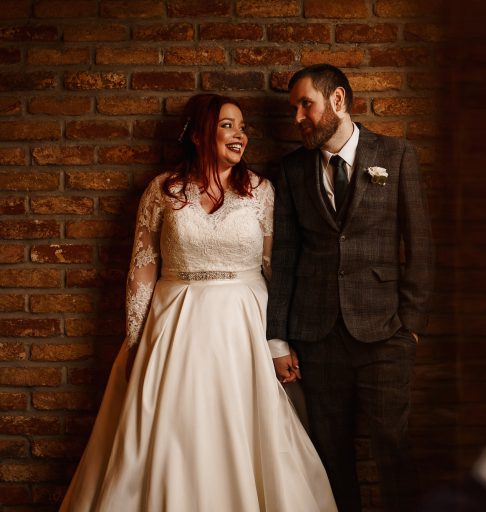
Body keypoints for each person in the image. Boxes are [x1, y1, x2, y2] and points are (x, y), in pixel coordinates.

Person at [60, 94, 336, 511]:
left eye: (243, 127)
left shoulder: (261, 191)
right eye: (228, 125)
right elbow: (142, 269)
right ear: (200, 133)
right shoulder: (163, 190)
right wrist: (136, 342)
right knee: (174, 431)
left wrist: (280, 341)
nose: (239, 134)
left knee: (249, 429)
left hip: (244, 327)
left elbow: (276, 270)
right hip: (175, 327)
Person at [266, 64, 434, 512]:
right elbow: (284, 257)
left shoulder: (396, 156)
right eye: (293, 109)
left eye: (306, 104)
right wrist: (278, 337)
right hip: (317, 336)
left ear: (337, 101)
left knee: (391, 445)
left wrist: (410, 327)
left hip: (385, 333)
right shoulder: (292, 170)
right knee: (331, 455)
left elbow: (419, 245)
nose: (298, 117)